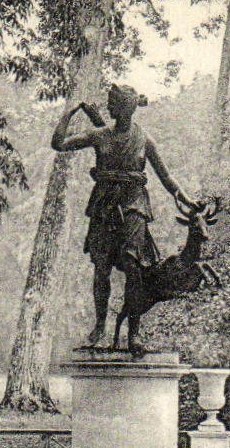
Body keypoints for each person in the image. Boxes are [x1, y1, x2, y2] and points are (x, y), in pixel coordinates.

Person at [51, 84, 196, 348]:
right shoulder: (99, 135)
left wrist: (188, 201)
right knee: (101, 267)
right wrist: (68, 113)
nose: (108, 107)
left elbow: (166, 177)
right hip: (104, 203)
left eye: (113, 104)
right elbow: (59, 144)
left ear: (126, 108)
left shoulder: (144, 139)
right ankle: (98, 328)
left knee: (133, 266)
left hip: (134, 203)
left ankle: (134, 334)